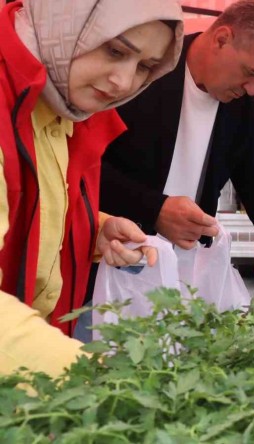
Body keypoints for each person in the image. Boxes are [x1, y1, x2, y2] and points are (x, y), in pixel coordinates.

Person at [98, 0, 254, 296]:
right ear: (221, 39)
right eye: (250, 72)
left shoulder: (243, 110)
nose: (253, 88)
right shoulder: (144, 72)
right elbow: (85, 169)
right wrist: (155, 209)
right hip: (106, 267)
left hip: (184, 276)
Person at [0, 0, 184, 374]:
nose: (125, 82)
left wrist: (90, 227)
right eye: (114, 50)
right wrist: (97, 383)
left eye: (145, 67)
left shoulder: (63, 102)